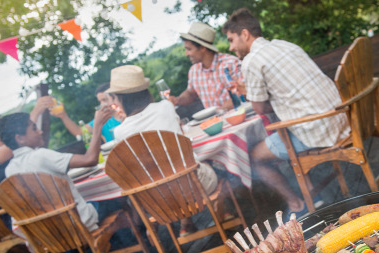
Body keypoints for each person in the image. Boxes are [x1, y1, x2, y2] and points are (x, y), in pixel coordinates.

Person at [223, 8, 349, 216]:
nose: (231, 47)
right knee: (282, 135)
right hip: (341, 117)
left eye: (231, 40)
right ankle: (313, 196)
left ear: (244, 34)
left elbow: (259, 109)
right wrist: (250, 92)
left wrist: (249, 95)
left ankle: (297, 205)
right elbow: (291, 92)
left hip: (318, 129)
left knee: (255, 155)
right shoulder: (285, 45)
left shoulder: (252, 60)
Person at [0, 107, 124, 253]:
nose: (41, 131)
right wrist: (97, 127)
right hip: (78, 225)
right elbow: (90, 159)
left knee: (72, 207)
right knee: (117, 197)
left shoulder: (10, 170)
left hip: (51, 233)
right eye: (34, 128)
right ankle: (132, 252)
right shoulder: (40, 155)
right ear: (20, 138)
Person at [108, 64, 218, 237]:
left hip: (159, 202)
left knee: (173, 176)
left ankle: (187, 226)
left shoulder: (120, 132)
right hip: (195, 188)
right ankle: (224, 215)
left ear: (122, 99)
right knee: (212, 165)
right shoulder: (165, 107)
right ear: (144, 91)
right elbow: (183, 142)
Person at [0, 96, 54, 229]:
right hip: (18, 218)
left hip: (34, 206)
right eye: (1, 125)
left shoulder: (17, 153)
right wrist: (36, 111)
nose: (7, 127)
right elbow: (20, 138)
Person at [169, 22, 243, 111]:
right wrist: (177, 100)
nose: (186, 54)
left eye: (189, 49)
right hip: (215, 122)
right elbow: (190, 94)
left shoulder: (231, 63)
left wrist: (217, 113)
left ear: (203, 48)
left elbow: (243, 94)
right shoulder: (194, 71)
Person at [51, 83, 125, 143]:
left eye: (104, 100)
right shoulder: (103, 119)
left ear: (115, 97)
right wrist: (63, 116)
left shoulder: (128, 112)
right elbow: (78, 131)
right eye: (100, 101)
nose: (102, 104)